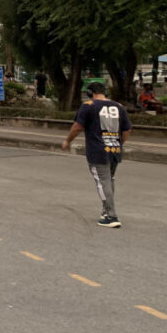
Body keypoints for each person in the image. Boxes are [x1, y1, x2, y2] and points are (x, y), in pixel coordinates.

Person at [61, 82, 131, 227]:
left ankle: (111, 216)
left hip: (98, 150)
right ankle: (106, 211)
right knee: (109, 179)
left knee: (102, 181)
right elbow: (127, 129)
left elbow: (77, 127)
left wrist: (68, 140)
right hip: (115, 149)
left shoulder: (88, 106)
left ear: (90, 92)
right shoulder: (118, 106)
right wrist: (119, 143)